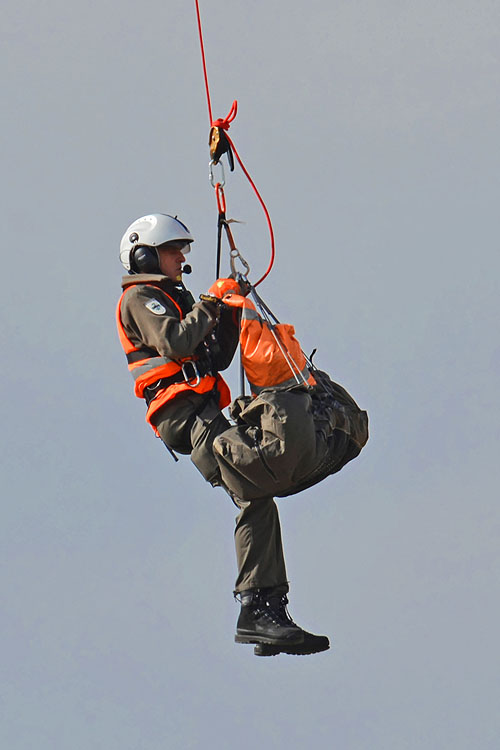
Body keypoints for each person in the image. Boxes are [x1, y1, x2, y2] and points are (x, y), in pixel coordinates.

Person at [116, 212, 368, 656]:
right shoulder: (140, 297)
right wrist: (211, 304)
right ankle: (258, 610)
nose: (182, 257)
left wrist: (229, 313)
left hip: (201, 410)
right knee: (252, 478)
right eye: (173, 250)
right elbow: (175, 342)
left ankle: (263, 609)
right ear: (144, 255)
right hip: (186, 416)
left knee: (255, 495)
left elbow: (213, 358)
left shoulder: (176, 298)